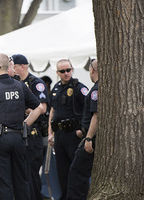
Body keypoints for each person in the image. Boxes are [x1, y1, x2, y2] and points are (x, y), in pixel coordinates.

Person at [0, 52, 44, 200]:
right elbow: (40, 108)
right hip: (19, 139)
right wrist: (25, 124)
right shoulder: (20, 85)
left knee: (2, 182)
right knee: (21, 181)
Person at [48, 59, 88, 200]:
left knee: (75, 169)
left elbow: (88, 110)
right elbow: (52, 111)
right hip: (59, 135)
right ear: (57, 73)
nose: (66, 73)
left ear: (72, 69)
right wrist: (50, 133)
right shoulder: (56, 88)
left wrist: (83, 131)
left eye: (68, 70)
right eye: (63, 71)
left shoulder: (79, 88)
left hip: (74, 134)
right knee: (62, 170)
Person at [12, 54, 49, 200]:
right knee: (21, 174)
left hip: (33, 134)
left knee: (31, 174)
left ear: (22, 66)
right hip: (18, 134)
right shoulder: (14, 83)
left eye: (13, 66)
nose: (12, 69)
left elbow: (43, 108)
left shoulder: (35, 83)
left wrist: (24, 109)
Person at [66, 59, 98, 200]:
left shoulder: (95, 90)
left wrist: (88, 138)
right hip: (87, 135)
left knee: (76, 172)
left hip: (92, 138)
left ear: (92, 70)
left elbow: (96, 116)